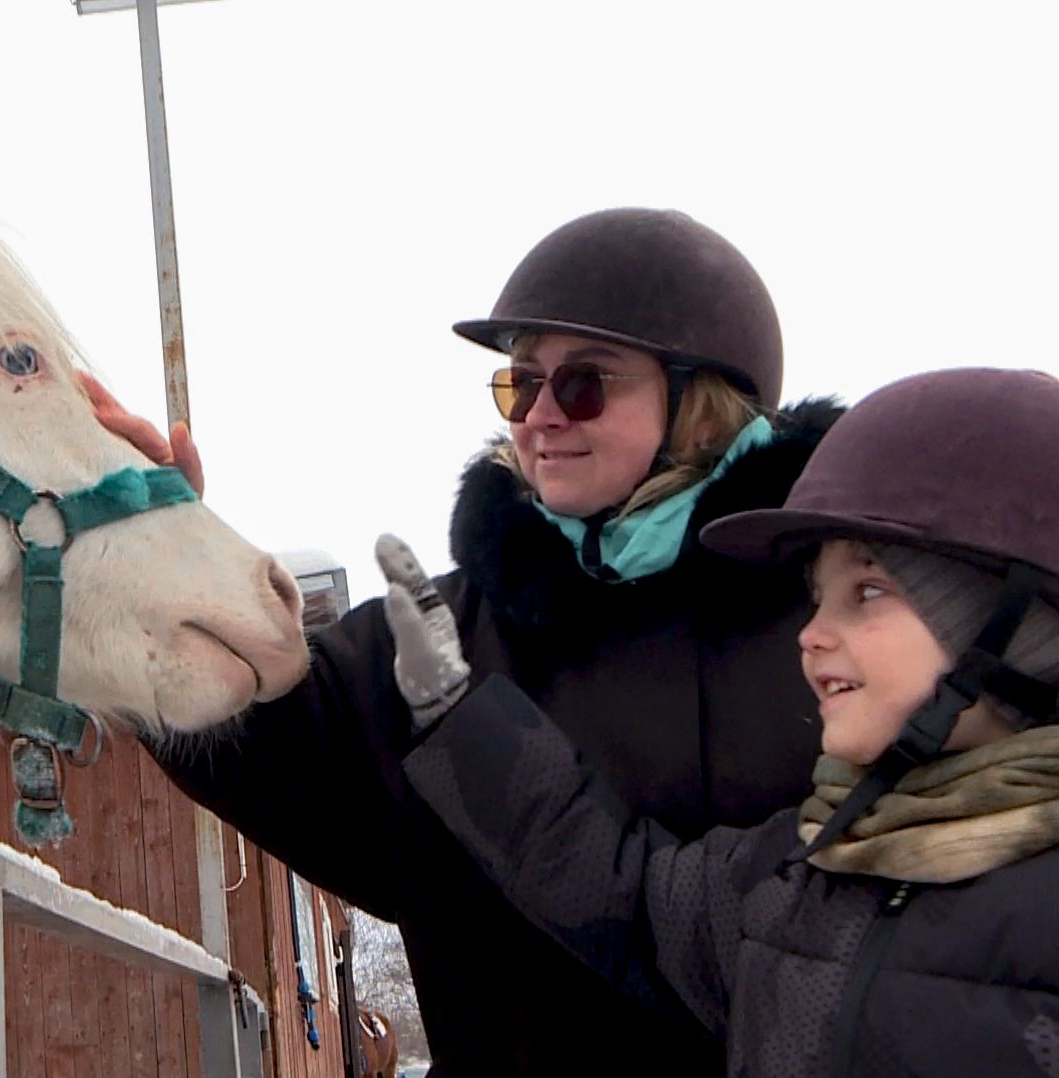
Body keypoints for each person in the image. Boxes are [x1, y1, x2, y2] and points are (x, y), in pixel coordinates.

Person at [89, 208, 846, 1075]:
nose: (542, 416)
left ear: (701, 406)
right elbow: (271, 734)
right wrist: (156, 571)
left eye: (586, 384)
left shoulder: (831, 625)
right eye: (521, 385)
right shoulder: (442, 640)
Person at [382, 366, 1059, 1076]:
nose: (812, 633)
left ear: (1015, 628)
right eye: (815, 597)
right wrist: (456, 713)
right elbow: (624, 893)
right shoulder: (798, 876)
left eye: (866, 591)